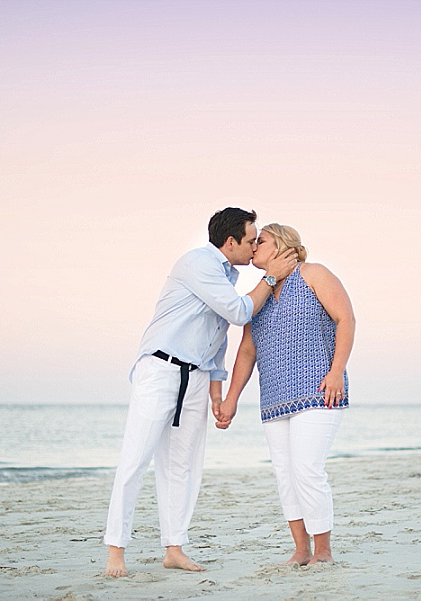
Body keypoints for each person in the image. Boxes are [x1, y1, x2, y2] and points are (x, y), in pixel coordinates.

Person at [103, 208, 298, 578]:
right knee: (135, 460)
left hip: (196, 377)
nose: (255, 244)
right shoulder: (197, 263)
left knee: (184, 466)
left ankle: (174, 548)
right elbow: (238, 312)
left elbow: (217, 336)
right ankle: (116, 550)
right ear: (230, 242)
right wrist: (272, 277)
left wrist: (216, 392)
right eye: (251, 239)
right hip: (160, 369)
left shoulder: (227, 274)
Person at [213, 223, 355, 565]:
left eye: (260, 241)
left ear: (281, 245)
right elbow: (247, 352)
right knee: (285, 475)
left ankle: (323, 551)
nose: (253, 246)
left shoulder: (313, 274)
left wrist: (336, 372)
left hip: (318, 391)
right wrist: (231, 399)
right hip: (274, 400)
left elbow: (345, 319)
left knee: (306, 469)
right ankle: (301, 550)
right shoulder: (260, 293)